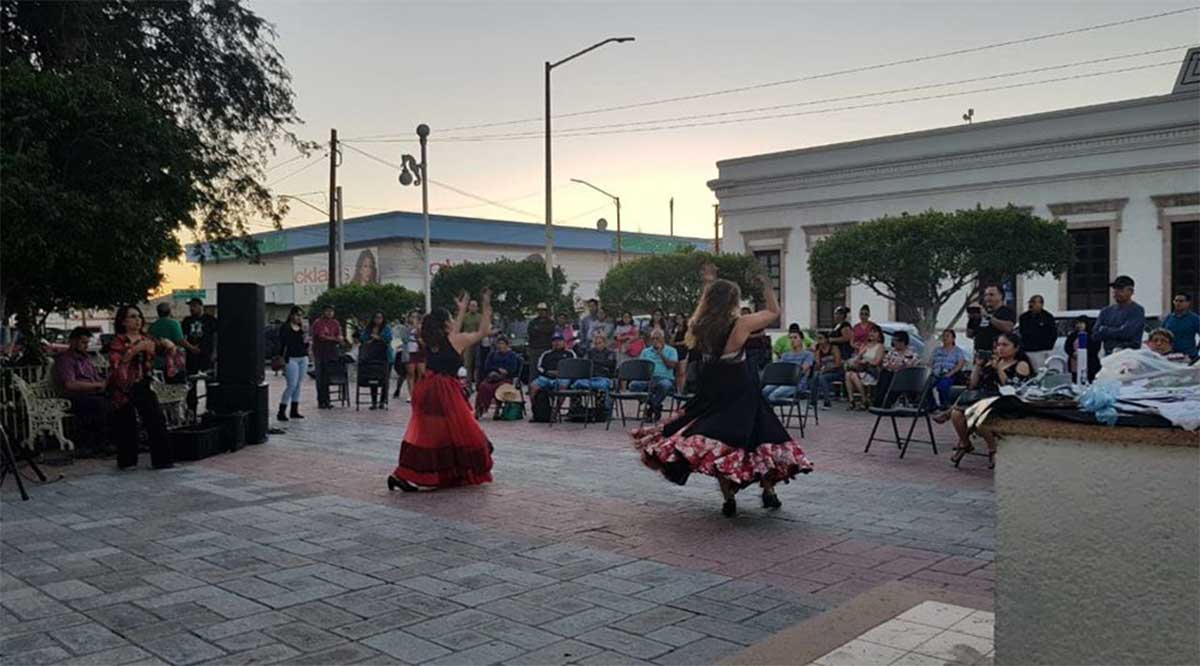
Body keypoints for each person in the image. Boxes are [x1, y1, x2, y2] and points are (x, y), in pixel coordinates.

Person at [631, 275, 812, 518]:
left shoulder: (699, 325)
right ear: (733, 301)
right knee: (760, 438)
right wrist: (767, 286)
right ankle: (768, 491)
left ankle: (729, 499)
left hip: (713, 394)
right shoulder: (741, 324)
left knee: (721, 442)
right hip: (743, 393)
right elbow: (773, 311)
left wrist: (707, 286)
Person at [388, 290, 495, 491]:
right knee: (463, 431)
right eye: (452, 318)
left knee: (429, 434)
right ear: (446, 323)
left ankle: (402, 473)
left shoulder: (429, 339)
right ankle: (452, 471)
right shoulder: (456, 340)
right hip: (446, 390)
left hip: (427, 388)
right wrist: (486, 305)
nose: (455, 320)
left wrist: (461, 310)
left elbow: (454, 329)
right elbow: (482, 332)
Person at [948, 331, 1032, 467]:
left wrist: (998, 369)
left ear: (1016, 348)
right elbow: (973, 385)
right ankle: (965, 443)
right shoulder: (990, 362)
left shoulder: (1021, 365)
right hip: (982, 400)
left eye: (1005, 345)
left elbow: (1012, 389)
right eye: (998, 345)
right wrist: (978, 365)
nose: (1000, 348)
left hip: (1005, 402)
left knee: (979, 415)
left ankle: (992, 449)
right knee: (956, 414)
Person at [107, 305, 175, 470]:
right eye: (132, 317)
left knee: (156, 419)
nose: (137, 320)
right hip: (123, 386)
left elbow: (165, 351)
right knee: (127, 424)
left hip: (142, 383)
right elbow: (117, 362)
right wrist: (137, 348)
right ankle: (127, 461)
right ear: (123, 321)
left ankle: (162, 461)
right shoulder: (118, 341)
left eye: (139, 316)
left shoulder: (147, 337)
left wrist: (168, 345)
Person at [52, 327, 109, 450]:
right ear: (73, 341)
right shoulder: (65, 359)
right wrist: (97, 385)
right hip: (74, 396)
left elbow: (95, 377)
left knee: (118, 399)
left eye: (87, 343)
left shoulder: (85, 358)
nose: (86, 346)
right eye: (83, 343)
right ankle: (97, 443)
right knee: (100, 404)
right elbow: (70, 384)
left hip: (91, 393)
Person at [633, 329, 679, 421]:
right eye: (653, 338)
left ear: (663, 339)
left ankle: (650, 409)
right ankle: (656, 406)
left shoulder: (671, 350)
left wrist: (661, 354)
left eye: (657, 338)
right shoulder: (646, 351)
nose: (655, 341)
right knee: (633, 385)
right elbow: (640, 367)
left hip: (665, 378)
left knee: (665, 385)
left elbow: (672, 366)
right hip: (649, 379)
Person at [1094, 275, 1146, 355]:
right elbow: (1095, 335)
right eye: (1115, 289)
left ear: (1131, 291)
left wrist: (1104, 330)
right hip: (1109, 356)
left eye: (1120, 289)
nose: (1116, 292)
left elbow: (1126, 333)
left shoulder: (1137, 310)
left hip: (1129, 356)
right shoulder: (1106, 311)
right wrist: (1117, 331)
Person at [761, 331, 814, 403]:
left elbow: (802, 371)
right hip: (782, 381)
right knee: (764, 392)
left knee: (773, 396)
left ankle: (769, 412)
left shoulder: (808, 354)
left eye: (795, 338)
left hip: (796, 383)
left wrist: (787, 373)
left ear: (801, 339)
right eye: (790, 338)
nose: (792, 340)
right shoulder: (785, 355)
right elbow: (780, 369)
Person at [276, 307, 309, 421]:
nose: (299, 317)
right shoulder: (285, 328)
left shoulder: (302, 329)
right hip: (291, 358)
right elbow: (281, 344)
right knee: (291, 385)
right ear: (291, 315)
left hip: (303, 357)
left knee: (298, 385)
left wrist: (305, 334)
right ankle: (281, 411)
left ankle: (294, 410)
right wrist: (281, 358)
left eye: (301, 315)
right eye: (297, 315)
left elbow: (306, 344)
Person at [475, 336, 520, 417]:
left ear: (507, 345)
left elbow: (513, 369)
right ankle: (480, 408)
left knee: (500, 387)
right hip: (492, 377)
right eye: (499, 344)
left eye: (502, 344)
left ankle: (498, 408)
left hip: (505, 378)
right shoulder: (492, 354)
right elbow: (487, 366)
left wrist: (506, 371)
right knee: (483, 386)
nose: (500, 346)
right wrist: (498, 369)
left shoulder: (512, 355)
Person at [311, 304, 346, 409]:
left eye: (331, 311)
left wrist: (338, 338)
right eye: (327, 311)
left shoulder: (335, 323)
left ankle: (327, 400)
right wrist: (335, 339)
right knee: (320, 378)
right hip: (320, 353)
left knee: (327, 378)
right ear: (323, 312)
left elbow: (339, 336)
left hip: (331, 354)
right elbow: (321, 337)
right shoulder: (318, 323)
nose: (330, 313)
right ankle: (321, 401)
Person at [966, 284, 1017, 356]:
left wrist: (988, 317)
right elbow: (969, 334)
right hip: (980, 355)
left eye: (991, 295)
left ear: (1000, 296)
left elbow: (1008, 328)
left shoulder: (1006, 311)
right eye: (986, 295)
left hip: (997, 354)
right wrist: (972, 319)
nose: (987, 298)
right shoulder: (982, 313)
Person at [359, 311, 394, 410]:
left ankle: (383, 401)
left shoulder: (386, 328)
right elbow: (363, 337)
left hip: (385, 357)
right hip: (372, 357)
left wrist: (378, 337)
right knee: (372, 379)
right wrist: (370, 336)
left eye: (380, 318)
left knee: (385, 380)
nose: (378, 320)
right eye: (376, 317)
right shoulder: (369, 328)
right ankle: (374, 402)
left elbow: (389, 338)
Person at [576, 332, 617, 416]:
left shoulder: (611, 353)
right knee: (576, 384)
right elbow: (584, 364)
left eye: (599, 343)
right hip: (590, 377)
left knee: (602, 386)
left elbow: (609, 364)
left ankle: (602, 412)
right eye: (595, 343)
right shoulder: (590, 352)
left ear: (605, 343)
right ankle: (577, 411)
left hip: (604, 377)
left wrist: (594, 362)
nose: (597, 345)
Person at [844, 326, 884, 410]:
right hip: (862, 370)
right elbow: (857, 359)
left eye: (875, 332)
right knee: (848, 374)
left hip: (872, 371)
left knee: (853, 376)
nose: (872, 334)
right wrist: (860, 354)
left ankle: (864, 399)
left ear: (879, 335)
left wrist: (866, 361)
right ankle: (852, 401)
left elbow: (877, 362)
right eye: (871, 331)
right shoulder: (865, 346)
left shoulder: (880, 347)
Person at [931, 329, 969, 409]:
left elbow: (960, 364)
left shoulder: (958, 351)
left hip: (949, 373)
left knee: (943, 385)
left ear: (953, 338)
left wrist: (950, 373)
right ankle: (932, 405)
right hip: (935, 373)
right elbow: (931, 362)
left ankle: (945, 405)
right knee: (925, 386)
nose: (945, 338)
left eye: (947, 336)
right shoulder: (937, 350)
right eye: (943, 336)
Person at [148, 302, 186, 383]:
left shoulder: (153, 326)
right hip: (173, 363)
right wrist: (192, 348)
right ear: (169, 311)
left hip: (157, 362)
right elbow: (180, 340)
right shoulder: (174, 323)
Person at [180, 298, 217, 376]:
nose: (191, 308)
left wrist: (214, 352)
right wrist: (190, 347)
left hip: (207, 354)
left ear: (201, 306)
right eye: (190, 306)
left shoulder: (210, 320)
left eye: (194, 306)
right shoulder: (187, 320)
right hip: (191, 356)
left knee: (207, 377)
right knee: (191, 377)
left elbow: (215, 336)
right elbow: (182, 337)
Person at [1018, 295, 1056, 370]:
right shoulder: (1024, 317)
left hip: (1042, 350)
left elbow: (1053, 333)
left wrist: (1048, 346)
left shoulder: (1048, 317)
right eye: (1030, 302)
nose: (1031, 305)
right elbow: (1021, 332)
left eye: (1034, 302)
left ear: (1041, 304)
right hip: (1028, 349)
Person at [1162, 292, 1199, 361]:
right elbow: (1161, 334)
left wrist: (1196, 350)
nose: (1178, 303)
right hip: (1170, 356)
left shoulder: (1195, 319)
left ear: (1188, 303)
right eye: (1176, 301)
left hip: (1189, 356)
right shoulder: (1169, 318)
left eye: (1181, 301)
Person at [1065, 315, 1101, 382]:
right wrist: (1073, 353)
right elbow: (1067, 347)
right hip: (1075, 363)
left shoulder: (1093, 335)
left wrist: (1083, 354)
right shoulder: (1073, 335)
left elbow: (1095, 348)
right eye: (1077, 323)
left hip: (1090, 364)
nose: (1079, 325)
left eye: (1081, 323)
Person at [812, 332, 842, 409]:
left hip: (836, 372)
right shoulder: (819, 350)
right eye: (817, 339)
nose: (819, 341)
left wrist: (826, 369)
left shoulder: (834, 348)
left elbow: (838, 364)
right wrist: (816, 354)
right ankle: (813, 401)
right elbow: (818, 366)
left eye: (820, 338)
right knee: (815, 375)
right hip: (824, 372)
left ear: (826, 339)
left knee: (822, 377)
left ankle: (827, 402)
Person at [526, 303, 556, 377]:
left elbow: (550, 331)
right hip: (535, 348)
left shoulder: (551, 322)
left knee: (545, 369)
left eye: (543, 310)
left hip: (547, 348)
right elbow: (531, 333)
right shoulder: (533, 322)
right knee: (533, 370)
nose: (541, 312)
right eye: (539, 310)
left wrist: (539, 329)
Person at [402, 311, 425, 403]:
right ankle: (411, 394)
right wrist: (411, 328)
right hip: (409, 351)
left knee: (421, 373)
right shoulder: (406, 327)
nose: (414, 318)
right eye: (412, 317)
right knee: (411, 373)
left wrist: (418, 328)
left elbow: (423, 337)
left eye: (416, 317)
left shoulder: (421, 327)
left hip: (419, 351)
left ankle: (419, 392)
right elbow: (404, 338)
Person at [461, 300, 481, 385]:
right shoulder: (464, 317)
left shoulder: (480, 317)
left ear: (477, 307)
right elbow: (460, 329)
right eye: (471, 305)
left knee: (478, 364)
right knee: (467, 364)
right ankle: (468, 383)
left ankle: (477, 383)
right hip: (467, 342)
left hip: (478, 342)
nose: (473, 307)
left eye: (475, 306)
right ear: (468, 307)